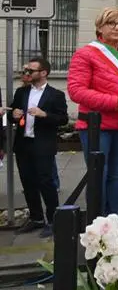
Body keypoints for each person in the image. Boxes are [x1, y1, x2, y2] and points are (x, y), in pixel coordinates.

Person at [69, 7, 118, 223]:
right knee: (99, 175)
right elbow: (76, 90)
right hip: (97, 126)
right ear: (100, 27)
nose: (116, 27)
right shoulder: (86, 54)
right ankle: (98, 219)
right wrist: (114, 102)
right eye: (111, 23)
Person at [11, 58, 68, 237]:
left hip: (42, 144)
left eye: (31, 71)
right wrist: (15, 114)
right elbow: (14, 112)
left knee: (45, 181)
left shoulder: (55, 95)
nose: (27, 73)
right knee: (28, 182)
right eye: (26, 70)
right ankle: (36, 218)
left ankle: (53, 220)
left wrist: (44, 114)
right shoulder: (21, 92)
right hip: (23, 143)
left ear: (43, 73)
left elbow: (63, 119)